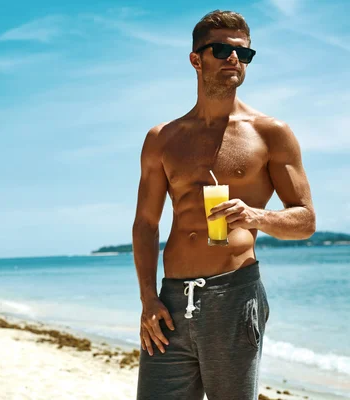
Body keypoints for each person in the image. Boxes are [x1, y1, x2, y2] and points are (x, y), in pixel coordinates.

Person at [132, 9, 316, 400]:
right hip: (170, 303)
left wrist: (255, 216)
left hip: (234, 296)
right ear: (196, 59)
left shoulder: (271, 133)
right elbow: (146, 225)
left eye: (243, 53)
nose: (233, 59)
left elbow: (305, 221)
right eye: (221, 50)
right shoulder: (162, 138)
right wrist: (148, 298)